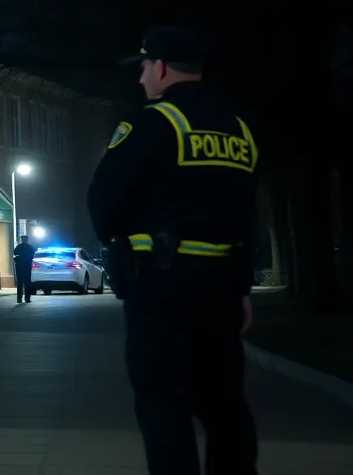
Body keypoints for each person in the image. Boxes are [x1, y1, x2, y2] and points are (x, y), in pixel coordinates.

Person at [87, 25, 260, 475]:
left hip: (163, 285)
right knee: (225, 406)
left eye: (144, 68)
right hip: (222, 287)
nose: (141, 78)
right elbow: (246, 217)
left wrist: (121, 238)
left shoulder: (153, 123)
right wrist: (242, 289)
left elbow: (104, 201)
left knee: (163, 402)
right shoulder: (238, 130)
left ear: (161, 67)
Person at [13, 234, 36, 303]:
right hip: (27, 267)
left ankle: (19, 298)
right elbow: (33, 255)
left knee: (20, 283)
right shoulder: (30, 247)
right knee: (27, 283)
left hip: (20, 267)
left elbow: (15, 253)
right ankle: (27, 298)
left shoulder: (18, 247)